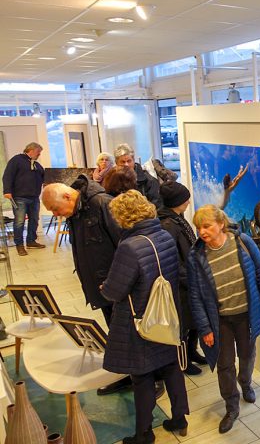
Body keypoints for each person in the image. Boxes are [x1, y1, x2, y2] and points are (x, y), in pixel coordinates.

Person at [101, 190, 189, 444]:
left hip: (140, 320)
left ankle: (144, 433)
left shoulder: (129, 246)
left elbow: (115, 290)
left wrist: (104, 287)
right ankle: (179, 418)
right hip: (167, 315)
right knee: (171, 366)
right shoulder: (163, 234)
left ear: (123, 216)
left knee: (142, 377)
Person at [41, 177, 141, 397]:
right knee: (116, 335)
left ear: (67, 196)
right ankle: (126, 375)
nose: (56, 215)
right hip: (102, 288)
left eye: (56, 209)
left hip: (119, 287)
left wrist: (123, 282)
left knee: (132, 335)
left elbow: (127, 245)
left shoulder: (101, 204)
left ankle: (148, 380)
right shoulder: (77, 210)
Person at [187, 205, 260, 434]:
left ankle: (246, 382)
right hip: (219, 320)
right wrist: (204, 328)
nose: (202, 231)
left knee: (247, 354)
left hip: (246, 313)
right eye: (198, 227)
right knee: (224, 365)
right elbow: (194, 295)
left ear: (221, 224)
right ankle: (231, 406)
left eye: (207, 226)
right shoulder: (196, 255)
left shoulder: (242, 241)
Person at [158, 181, 206, 375]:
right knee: (183, 324)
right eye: (184, 198)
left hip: (190, 278)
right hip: (181, 283)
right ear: (175, 201)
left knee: (193, 320)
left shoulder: (177, 219)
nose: (188, 201)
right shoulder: (168, 225)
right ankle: (183, 362)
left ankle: (192, 352)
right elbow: (172, 260)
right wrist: (189, 279)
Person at [3, 142, 46, 255]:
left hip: (34, 197)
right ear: (31, 150)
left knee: (34, 220)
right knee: (19, 222)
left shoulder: (36, 164)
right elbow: (7, 175)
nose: (39, 154)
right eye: (38, 152)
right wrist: (7, 191)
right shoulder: (17, 160)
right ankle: (19, 245)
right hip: (20, 197)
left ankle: (31, 241)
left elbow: (44, 176)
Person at [113, 143, 162, 208]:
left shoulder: (150, 181)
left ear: (133, 160)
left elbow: (156, 207)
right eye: (122, 162)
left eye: (129, 161)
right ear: (116, 163)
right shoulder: (112, 181)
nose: (126, 165)